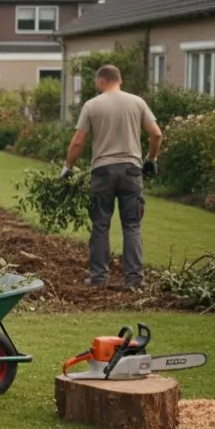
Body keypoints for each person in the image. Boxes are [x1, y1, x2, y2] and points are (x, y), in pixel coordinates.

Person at [61, 64, 163, 289]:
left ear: (100, 82)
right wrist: (151, 160)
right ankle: (134, 279)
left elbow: (78, 142)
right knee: (132, 225)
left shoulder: (92, 105)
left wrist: (68, 167)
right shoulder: (137, 102)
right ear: (120, 80)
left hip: (103, 172)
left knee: (100, 225)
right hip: (131, 171)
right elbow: (156, 134)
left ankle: (99, 278)